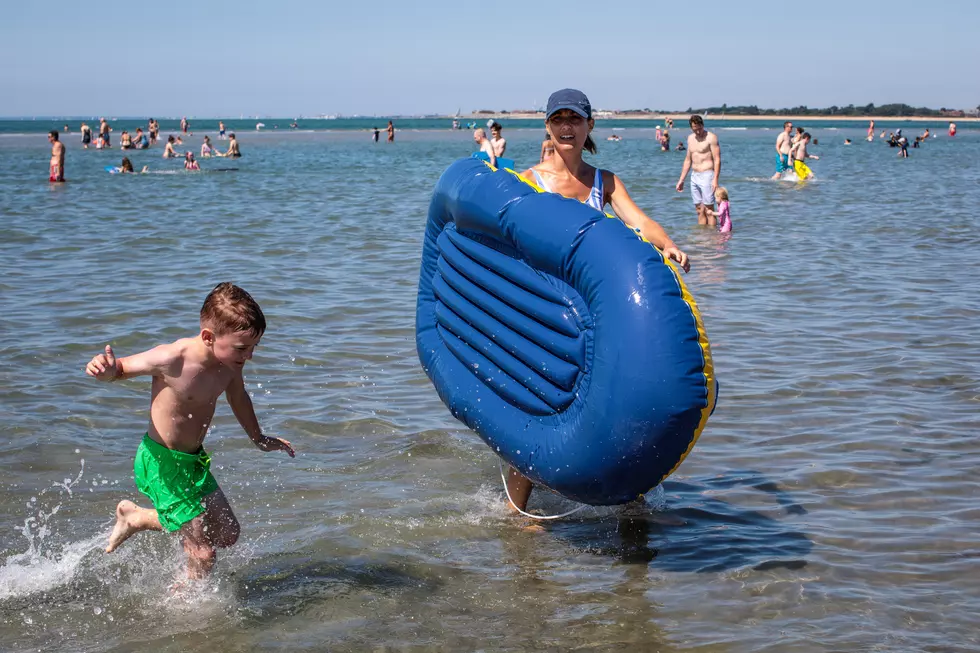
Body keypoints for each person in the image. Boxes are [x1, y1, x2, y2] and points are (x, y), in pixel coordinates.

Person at [509, 89, 689, 513]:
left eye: (575, 119)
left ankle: (632, 501)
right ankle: (516, 513)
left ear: (590, 125)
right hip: (545, 312)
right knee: (539, 405)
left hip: (594, 311)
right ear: (547, 126)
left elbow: (639, 221)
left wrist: (669, 246)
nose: (566, 127)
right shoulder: (526, 181)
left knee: (620, 399)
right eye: (559, 119)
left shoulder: (603, 182)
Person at [84, 283, 295, 580]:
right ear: (209, 337)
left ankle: (138, 518)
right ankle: (185, 610)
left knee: (228, 534)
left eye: (253, 347)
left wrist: (258, 438)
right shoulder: (172, 358)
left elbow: (238, 397)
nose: (249, 356)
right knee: (203, 552)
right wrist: (106, 370)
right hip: (162, 462)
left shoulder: (229, 363)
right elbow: (121, 368)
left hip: (193, 462)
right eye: (242, 348)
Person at [675, 115, 721, 227]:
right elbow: (687, 160)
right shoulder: (690, 138)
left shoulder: (711, 138)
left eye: (699, 129)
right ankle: (701, 237)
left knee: (709, 210)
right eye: (695, 129)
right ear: (691, 128)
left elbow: (717, 160)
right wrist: (681, 180)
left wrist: (715, 179)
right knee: (699, 209)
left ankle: (712, 237)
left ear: (702, 125)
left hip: (707, 175)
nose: (698, 132)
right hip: (694, 176)